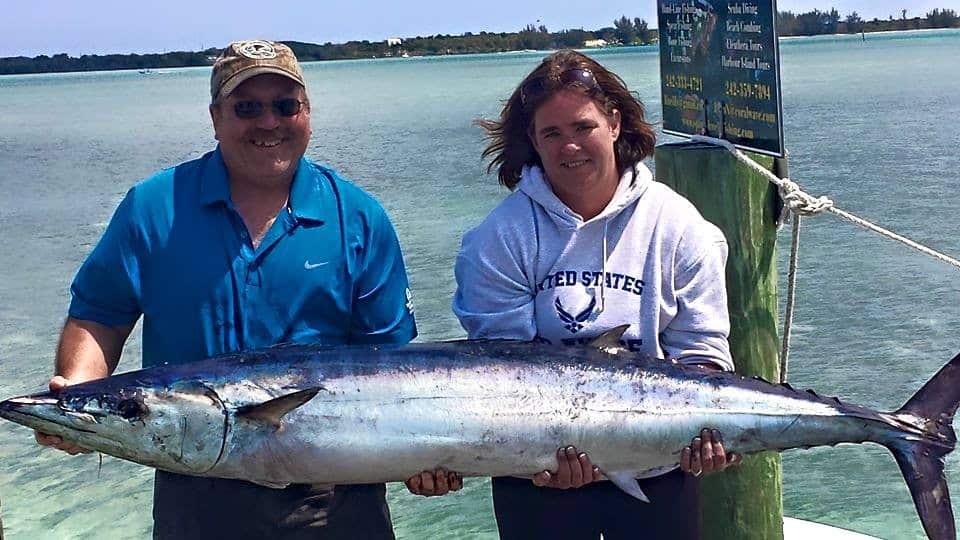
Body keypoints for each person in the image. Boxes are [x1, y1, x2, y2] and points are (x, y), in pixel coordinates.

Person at [34, 40, 423, 539]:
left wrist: (431, 453)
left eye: (285, 106)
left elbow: (392, 368)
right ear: (216, 117)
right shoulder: (153, 208)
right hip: (193, 484)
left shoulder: (361, 218)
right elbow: (99, 314)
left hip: (336, 495)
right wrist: (83, 398)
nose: (268, 123)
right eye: (247, 108)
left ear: (307, 114)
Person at [446, 50, 740, 538]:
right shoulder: (497, 239)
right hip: (536, 480)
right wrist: (544, 453)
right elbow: (502, 373)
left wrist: (709, 436)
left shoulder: (681, 228)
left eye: (583, 127)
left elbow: (703, 353)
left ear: (615, 123)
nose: (569, 147)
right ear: (533, 144)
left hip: (659, 468)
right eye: (551, 134)